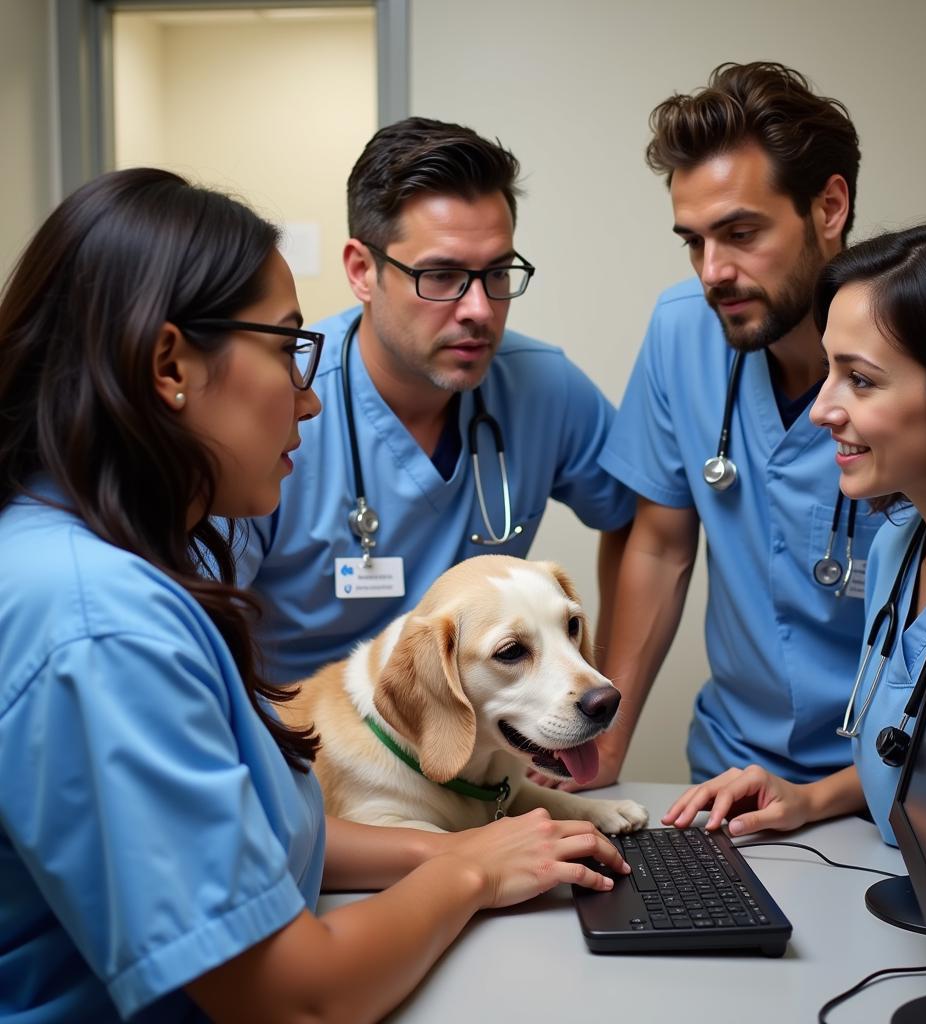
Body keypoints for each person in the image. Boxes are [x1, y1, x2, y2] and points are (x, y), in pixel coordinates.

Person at [0, 168, 628, 1024]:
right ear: (170, 364)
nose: (308, 399)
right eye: (288, 348)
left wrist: (473, 842)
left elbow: (247, 841)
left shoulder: (85, 563)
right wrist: (469, 870)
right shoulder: (103, 628)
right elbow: (297, 1002)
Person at [664, 212, 926, 845]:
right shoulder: (897, 548)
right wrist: (807, 799)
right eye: (830, 370)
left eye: (860, 380)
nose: (822, 411)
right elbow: (908, 749)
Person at [235, 116, 635, 684]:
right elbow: (197, 610)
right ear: (362, 270)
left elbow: (644, 520)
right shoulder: (282, 402)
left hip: (471, 752)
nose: (479, 309)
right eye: (442, 276)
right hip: (306, 752)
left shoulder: (544, 388)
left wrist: (598, 684)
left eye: (497, 273)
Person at [574, 62, 882, 790]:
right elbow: (659, 546)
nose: (713, 271)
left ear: (828, 207)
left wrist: (839, 793)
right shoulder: (684, 329)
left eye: (741, 233)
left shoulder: (921, 352)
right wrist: (607, 742)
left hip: (888, 779)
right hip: (730, 766)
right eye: (694, 240)